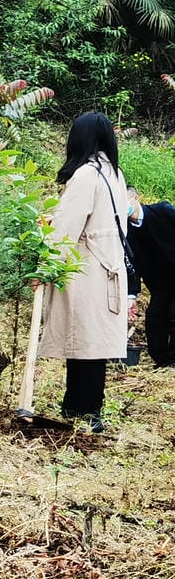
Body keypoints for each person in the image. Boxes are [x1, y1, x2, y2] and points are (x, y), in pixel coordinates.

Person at [39, 111, 140, 430]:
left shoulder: (86, 175)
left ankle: (85, 410)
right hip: (107, 266)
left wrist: (45, 268)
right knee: (90, 343)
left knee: (83, 341)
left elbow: (66, 229)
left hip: (87, 270)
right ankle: (80, 407)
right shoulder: (114, 173)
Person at [134, 201, 175, 368]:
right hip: (160, 280)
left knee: (174, 316)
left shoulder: (163, 210)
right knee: (155, 317)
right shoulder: (126, 228)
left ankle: (173, 360)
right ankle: (161, 360)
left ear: (136, 198)